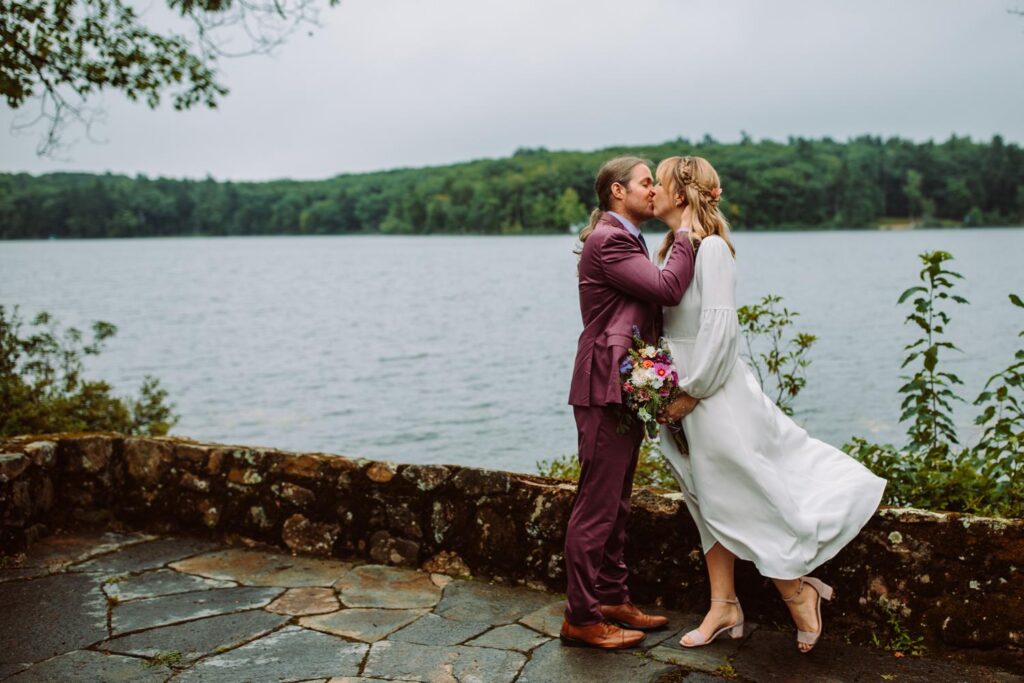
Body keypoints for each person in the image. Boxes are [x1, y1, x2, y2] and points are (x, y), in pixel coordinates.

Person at [651, 155, 887, 653]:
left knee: (742, 496)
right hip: (678, 398)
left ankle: (797, 590)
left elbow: (720, 330)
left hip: (711, 395)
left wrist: (691, 392)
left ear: (680, 193)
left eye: (659, 180)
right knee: (702, 501)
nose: (650, 188)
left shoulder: (712, 249)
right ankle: (724, 605)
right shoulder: (669, 248)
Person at [561, 156, 697, 649]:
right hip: (602, 383)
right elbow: (666, 287)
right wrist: (684, 231)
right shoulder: (611, 240)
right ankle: (580, 617)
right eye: (645, 183)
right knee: (596, 507)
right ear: (618, 192)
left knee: (616, 504)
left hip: (621, 383)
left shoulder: (625, 238)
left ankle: (613, 598)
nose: (653, 191)